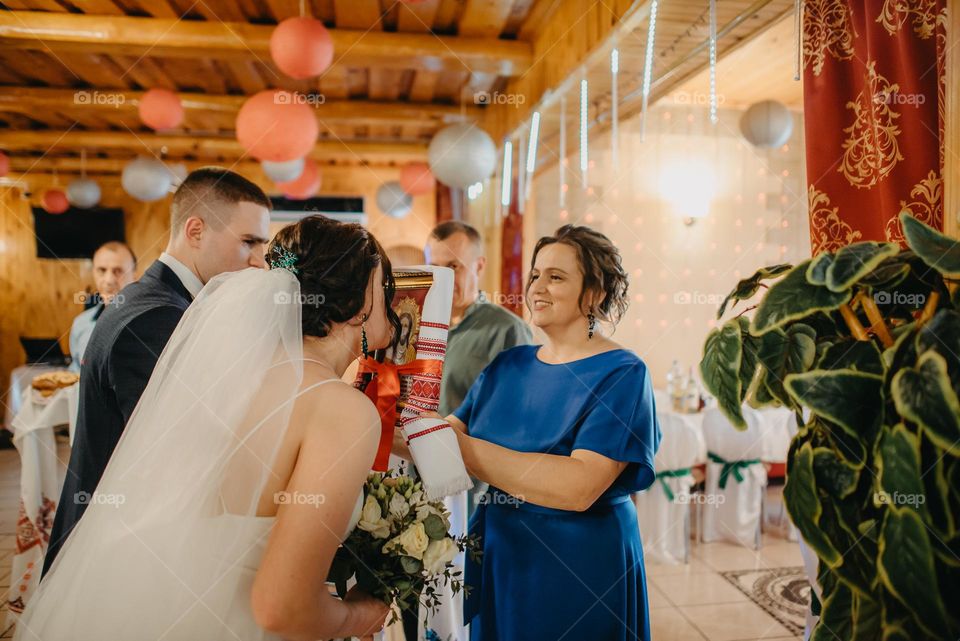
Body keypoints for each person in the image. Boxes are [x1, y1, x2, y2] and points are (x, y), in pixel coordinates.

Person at [18, 215, 397, 641]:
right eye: (386, 287)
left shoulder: (227, 375)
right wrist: (359, 615)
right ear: (361, 305)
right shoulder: (341, 410)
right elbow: (281, 608)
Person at [43, 167, 273, 577]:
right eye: (249, 242)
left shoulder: (156, 300)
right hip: (115, 554)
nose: (259, 261)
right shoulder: (156, 319)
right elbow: (175, 461)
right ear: (196, 230)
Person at [448, 225, 661, 641]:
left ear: (595, 293)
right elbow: (448, 432)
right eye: (535, 275)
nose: (537, 287)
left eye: (556, 277)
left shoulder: (623, 373)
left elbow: (577, 487)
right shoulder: (508, 365)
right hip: (502, 553)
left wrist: (461, 449)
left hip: (578, 566)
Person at [412, 221, 532, 641]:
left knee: (464, 598)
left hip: (475, 491)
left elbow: (519, 420)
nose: (445, 278)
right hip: (413, 481)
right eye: (435, 267)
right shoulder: (416, 324)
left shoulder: (506, 329)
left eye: (455, 266)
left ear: (479, 265)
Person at [68, 241, 137, 373]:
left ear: (134, 275)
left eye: (118, 271)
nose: (109, 280)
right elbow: (76, 371)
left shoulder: (148, 322)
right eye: (102, 270)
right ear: (94, 273)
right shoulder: (80, 324)